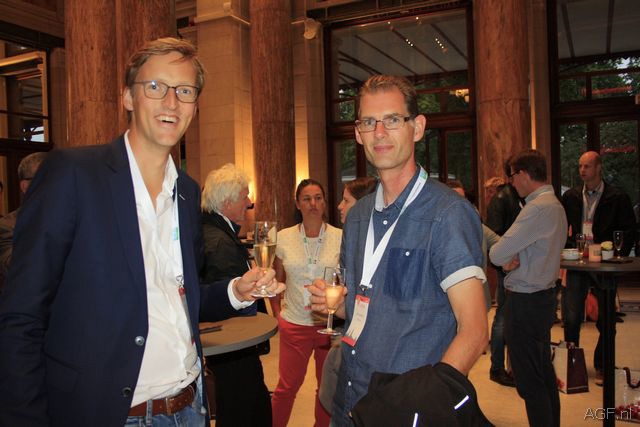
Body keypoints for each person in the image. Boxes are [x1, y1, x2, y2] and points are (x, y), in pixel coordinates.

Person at [0, 37, 284, 427]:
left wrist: (236, 291)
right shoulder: (74, 176)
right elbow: (21, 316)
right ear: (128, 98)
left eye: (185, 91)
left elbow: (175, 298)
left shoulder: (187, 193)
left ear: (195, 106)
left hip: (189, 407)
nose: (171, 102)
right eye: (155, 87)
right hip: (112, 414)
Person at [309, 75, 489, 426]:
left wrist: (423, 402)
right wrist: (336, 305)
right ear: (358, 133)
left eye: (392, 120)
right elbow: (366, 306)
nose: (379, 132)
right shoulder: (358, 216)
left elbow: (474, 330)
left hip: (406, 407)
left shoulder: (447, 214)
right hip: (349, 397)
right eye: (368, 122)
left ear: (417, 128)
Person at [489, 149, 567, 427]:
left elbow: (497, 253)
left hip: (526, 302)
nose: (511, 183)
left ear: (523, 174)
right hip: (542, 298)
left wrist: (508, 258)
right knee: (542, 372)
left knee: (530, 381)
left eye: (512, 176)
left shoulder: (537, 208)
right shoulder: (553, 204)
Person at [199, 163, 272, 426]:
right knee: (243, 410)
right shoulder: (219, 242)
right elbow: (229, 305)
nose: (249, 202)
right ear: (227, 201)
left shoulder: (214, 231)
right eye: (244, 196)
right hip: (233, 346)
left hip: (229, 348)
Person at [270, 179, 342, 427]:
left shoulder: (340, 237)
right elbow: (276, 280)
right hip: (295, 324)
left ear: (324, 202)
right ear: (297, 204)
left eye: (318, 198)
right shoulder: (284, 237)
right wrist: (277, 314)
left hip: (328, 325)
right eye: (307, 199)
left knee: (326, 389)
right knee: (286, 387)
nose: (313, 204)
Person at [560, 150, 636, 384]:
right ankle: (572, 365)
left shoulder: (617, 197)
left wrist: (617, 255)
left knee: (606, 319)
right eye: (580, 166)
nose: (582, 171)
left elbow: (629, 230)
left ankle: (603, 364)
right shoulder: (571, 197)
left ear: (599, 168)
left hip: (604, 263)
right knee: (571, 316)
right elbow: (562, 227)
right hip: (577, 262)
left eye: (587, 166)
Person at [319, 176, 377, 413]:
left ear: (363, 205)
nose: (339, 206)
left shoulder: (370, 246)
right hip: (348, 335)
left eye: (346, 201)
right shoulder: (352, 239)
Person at [484, 160, 523, 387]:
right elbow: (494, 239)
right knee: (502, 317)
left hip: (519, 267)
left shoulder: (522, 197)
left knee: (512, 318)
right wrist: (505, 263)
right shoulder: (502, 200)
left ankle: (512, 366)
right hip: (506, 269)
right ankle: (497, 367)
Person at [0, 151, 47, 293]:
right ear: (25, 186)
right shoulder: (7, 226)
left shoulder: (75, 218)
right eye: (47, 179)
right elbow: (16, 269)